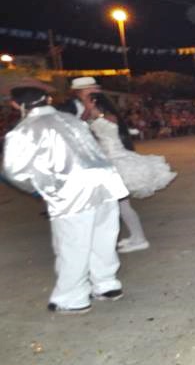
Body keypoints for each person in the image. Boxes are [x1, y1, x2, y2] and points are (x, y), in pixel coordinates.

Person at [3, 87, 129, 314]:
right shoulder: (71, 120)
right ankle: (106, 284)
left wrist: (42, 189)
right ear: (48, 99)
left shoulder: (24, 130)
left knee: (73, 243)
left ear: (15, 104)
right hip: (104, 182)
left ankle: (72, 297)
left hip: (71, 191)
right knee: (102, 237)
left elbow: (14, 171)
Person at [87, 93, 177, 252]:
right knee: (121, 205)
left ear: (94, 103)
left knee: (121, 206)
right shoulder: (105, 118)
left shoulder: (104, 119)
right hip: (114, 161)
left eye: (87, 102)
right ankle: (136, 237)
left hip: (116, 162)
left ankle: (138, 239)